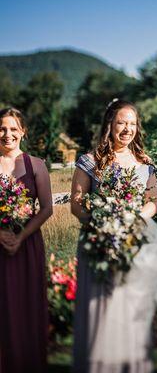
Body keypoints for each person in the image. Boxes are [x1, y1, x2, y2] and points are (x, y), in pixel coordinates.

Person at [71, 99, 157, 373]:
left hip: (133, 244)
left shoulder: (145, 163)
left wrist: (131, 221)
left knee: (130, 307)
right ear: (109, 124)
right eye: (121, 122)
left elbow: (153, 201)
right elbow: (77, 204)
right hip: (99, 244)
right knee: (101, 307)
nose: (127, 129)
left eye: (132, 124)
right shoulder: (89, 161)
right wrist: (104, 224)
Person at [0, 107, 53, 373]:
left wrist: (20, 236)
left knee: (25, 307)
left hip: (27, 246)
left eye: (13, 129)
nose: (7, 134)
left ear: (23, 132)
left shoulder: (36, 165)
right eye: (2, 128)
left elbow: (46, 208)